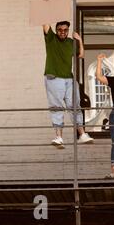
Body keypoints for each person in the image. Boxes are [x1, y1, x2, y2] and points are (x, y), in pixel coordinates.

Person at [42, 21, 94, 149]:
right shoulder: (51, 39)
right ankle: (59, 137)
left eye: (65, 30)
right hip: (54, 77)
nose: (63, 32)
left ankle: (82, 134)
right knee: (57, 106)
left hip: (69, 79)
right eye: (60, 30)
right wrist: (46, 4)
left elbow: (81, 55)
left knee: (74, 105)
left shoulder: (71, 42)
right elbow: (44, 23)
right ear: (56, 30)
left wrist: (79, 40)